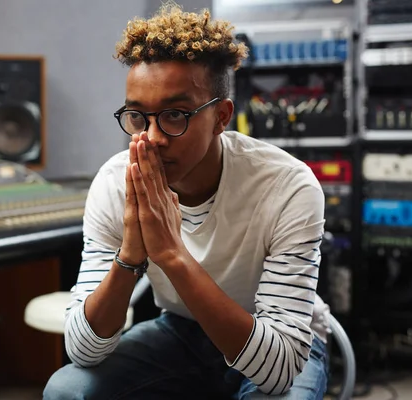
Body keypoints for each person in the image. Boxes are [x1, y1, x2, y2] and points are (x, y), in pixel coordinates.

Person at [44, 3, 330, 399]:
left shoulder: (288, 186)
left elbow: (278, 371)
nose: (154, 137)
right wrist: (130, 255)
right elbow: (82, 351)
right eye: (138, 117)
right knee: (68, 391)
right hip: (182, 328)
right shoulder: (115, 183)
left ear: (221, 117)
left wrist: (172, 256)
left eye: (176, 115)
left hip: (275, 338)